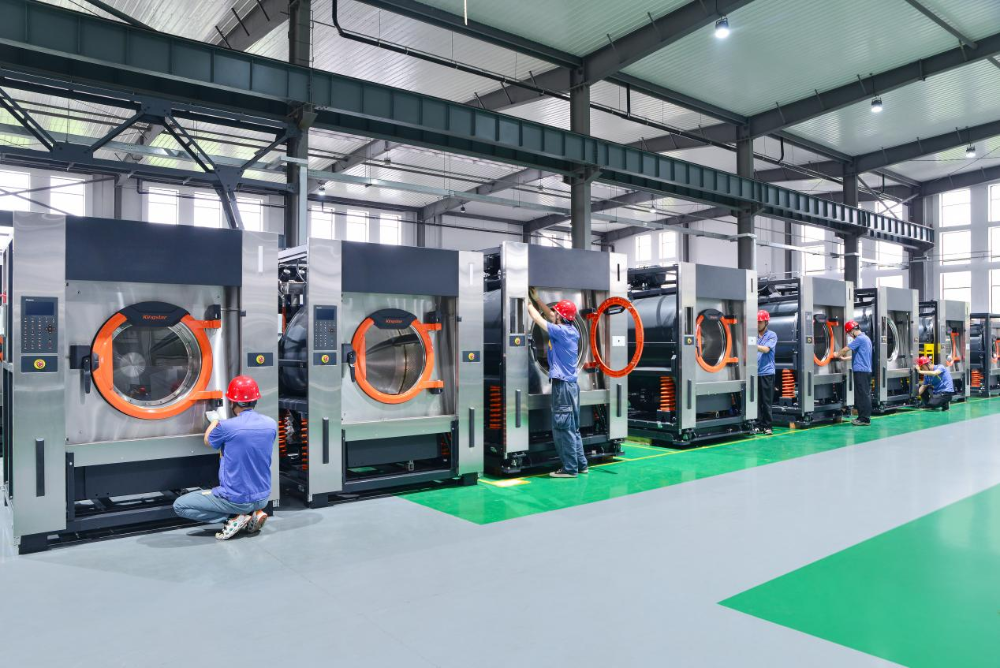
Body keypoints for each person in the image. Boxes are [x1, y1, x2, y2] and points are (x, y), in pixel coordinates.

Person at [173, 375, 277, 540]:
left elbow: (208, 440)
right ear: (255, 400)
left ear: (232, 402)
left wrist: (215, 421)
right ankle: (253, 514)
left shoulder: (226, 426)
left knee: (180, 505)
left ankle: (234, 518)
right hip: (262, 497)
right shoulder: (271, 424)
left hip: (237, 499)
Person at [527, 287, 587, 478]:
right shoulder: (571, 330)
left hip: (563, 387)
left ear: (561, 317)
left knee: (563, 428)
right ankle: (581, 464)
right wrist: (537, 299)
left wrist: (525, 301)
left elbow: (538, 319)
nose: (554, 314)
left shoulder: (560, 332)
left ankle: (569, 468)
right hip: (572, 386)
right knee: (572, 428)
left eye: (557, 313)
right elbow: (550, 316)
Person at [834, 320, 873, 426]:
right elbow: (860, 355)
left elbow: (845, 349)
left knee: (862, 395)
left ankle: (864, 419)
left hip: (861, 371)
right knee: (863, 394)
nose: (850, 335)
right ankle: (862, 417)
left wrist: (836, 354)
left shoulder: (859, 339)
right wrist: (845, 358)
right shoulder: (866, 338)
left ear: (852, 331)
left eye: (849, 333)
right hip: (866, 370)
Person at [756, 310, 778, 435]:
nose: (758, 324)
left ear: (766, 322)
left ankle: (768, 426)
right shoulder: (753, 335)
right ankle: (758, 425)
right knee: (757, 401)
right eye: (757, 322)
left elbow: (766, 349)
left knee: (766, 402)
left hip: (767, 373)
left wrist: (752, 345)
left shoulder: (771, 335)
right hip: (755, 373)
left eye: (760, 322)